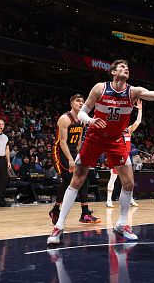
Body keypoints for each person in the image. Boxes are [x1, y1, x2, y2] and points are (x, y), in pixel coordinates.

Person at [47, 59, 154, 244]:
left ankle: (122, 224)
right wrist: (90, 121)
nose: (125, 69)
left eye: (127, 68)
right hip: (95, 138)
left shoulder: (133, 92)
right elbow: (82, 113)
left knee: (129, 182)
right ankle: (58, 226)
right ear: (113, 72)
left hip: (116, 140)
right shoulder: (100, 88)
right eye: (122, 67)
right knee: (77, 180)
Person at [48, 94, 101, 224]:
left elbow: (78, 141)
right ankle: (56, 209)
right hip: (60, 151)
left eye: (83, 101)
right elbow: (63, 142)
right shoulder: (65, 118)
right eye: (78, 101)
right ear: (71, 103)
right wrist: (71, 160)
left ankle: (85, 213)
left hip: (73, 151)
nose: (81, 103)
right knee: (68, 181)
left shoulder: (82, 119)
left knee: (83, 179)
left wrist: (79, 155)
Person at [106, 99, 143, 208]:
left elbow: (138, 122)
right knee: (113, 178)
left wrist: (140, 110)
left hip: (126, 157)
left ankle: (130, 199)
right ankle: (109, 200)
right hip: (116, 156)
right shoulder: (114, 130)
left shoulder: (129, 130)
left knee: (129, 179)